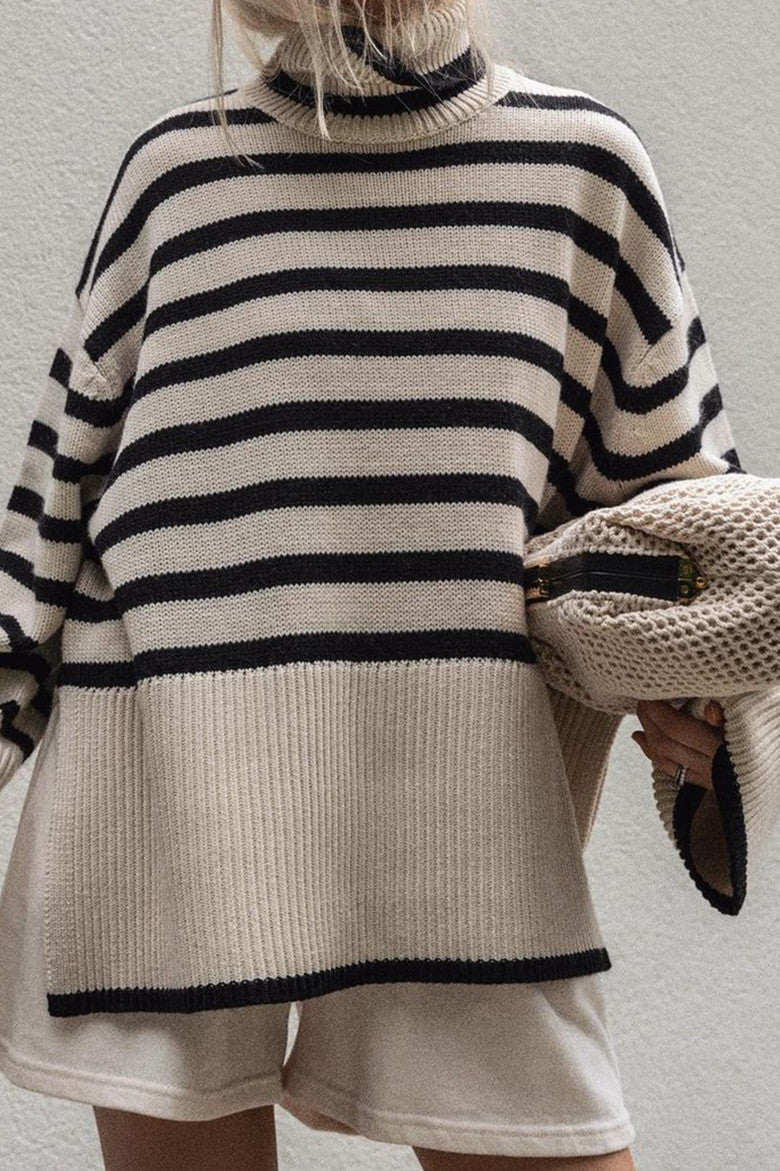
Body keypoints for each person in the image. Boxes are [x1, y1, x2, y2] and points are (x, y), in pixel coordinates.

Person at [0, 1, 741, 1168]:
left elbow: (703, 554)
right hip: (158, 807)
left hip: (461, 816)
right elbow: (47, 518)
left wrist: (716, 726)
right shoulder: (177, 178)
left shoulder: (583, 173)